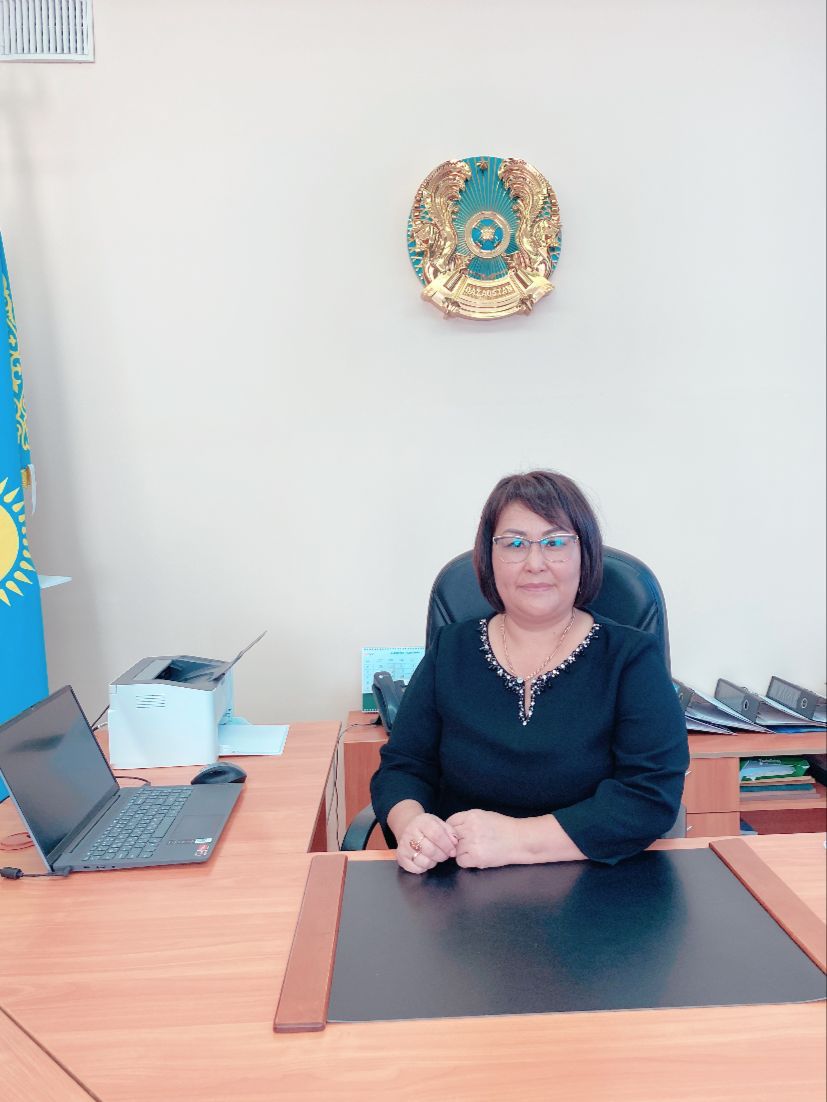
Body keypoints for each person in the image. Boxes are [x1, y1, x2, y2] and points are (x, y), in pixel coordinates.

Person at [369, 470, 689, 873]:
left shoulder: (630, 658)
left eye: (555, 542)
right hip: (461, 882)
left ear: (585, 554)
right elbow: (402, 766)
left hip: (599, 881)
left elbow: (650, 795)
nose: (535, 563)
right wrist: (412, 825)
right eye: (515, 543)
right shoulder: (451, 649)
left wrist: (517, 841)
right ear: (489, 558)